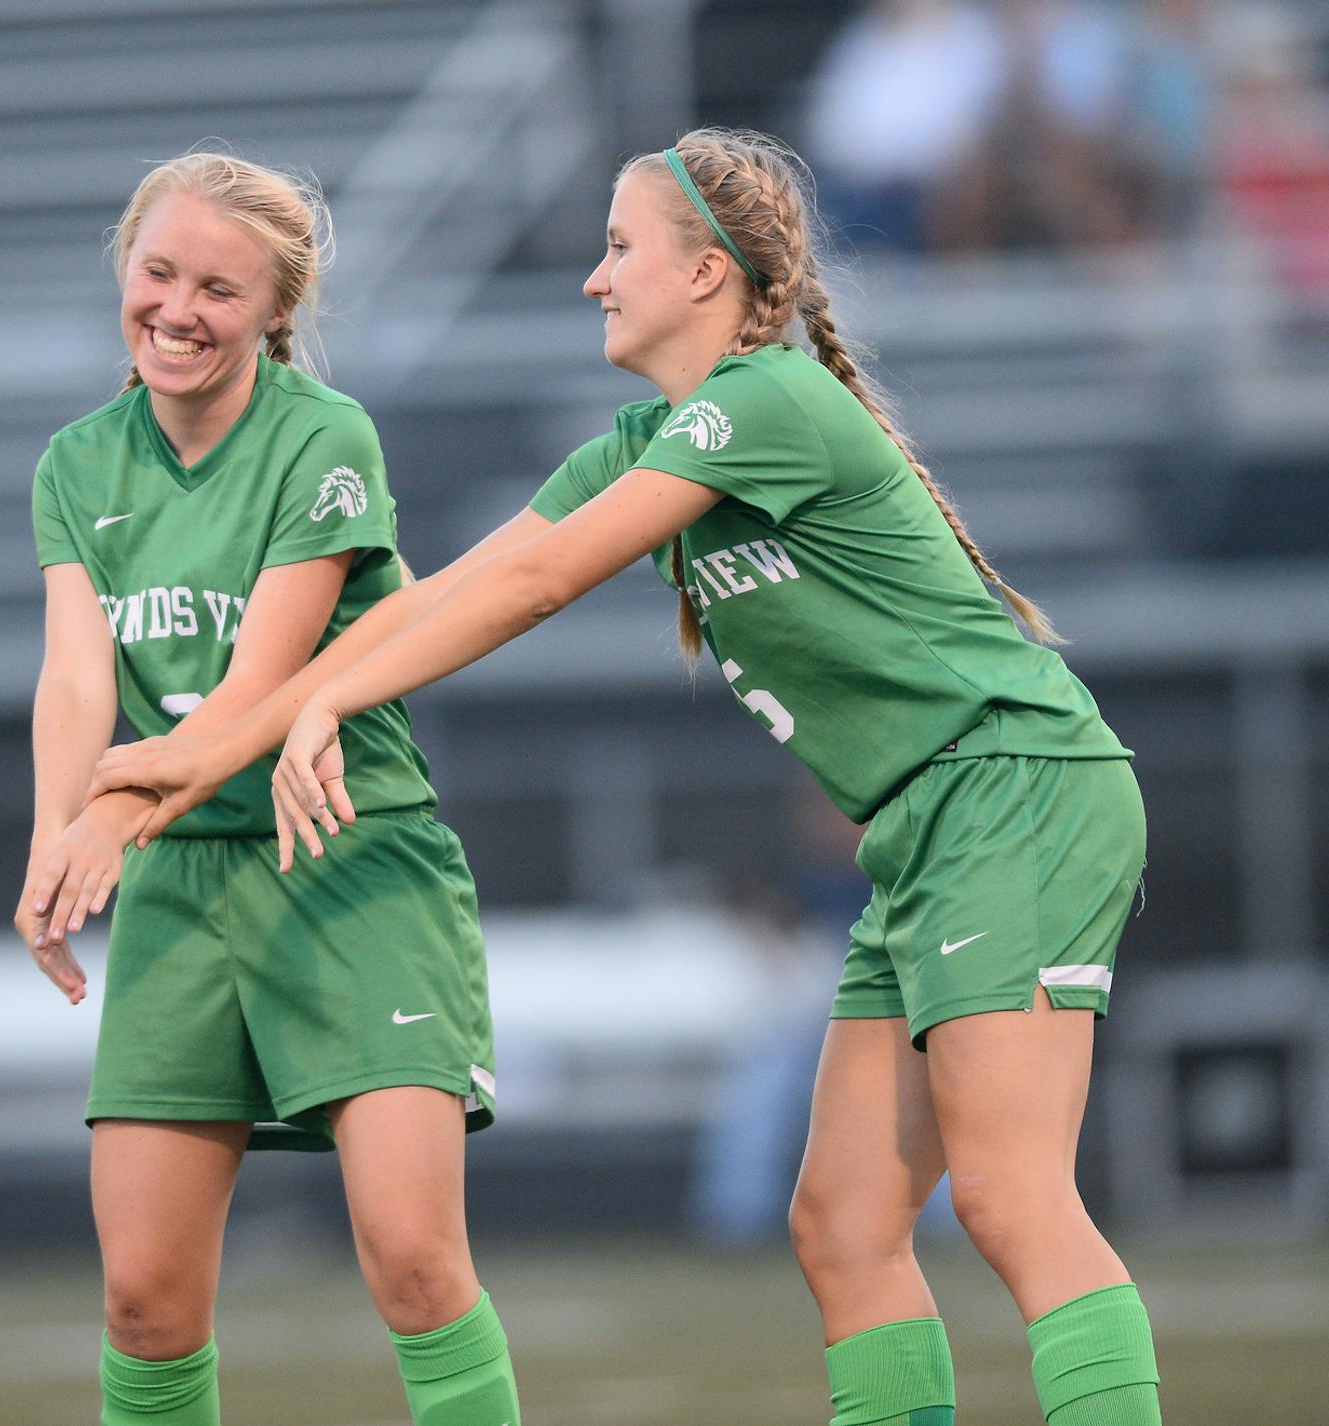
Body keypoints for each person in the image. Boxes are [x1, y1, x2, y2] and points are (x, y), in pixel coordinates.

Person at [92, 128, 1162, 1426]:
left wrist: (279, 716)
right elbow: (456, 594)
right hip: (926, 829)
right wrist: (239, 735)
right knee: (840, 1224)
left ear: (706, 272)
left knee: (1007, 1194)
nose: (596, 279)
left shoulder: (763, 400)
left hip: (1017, 788)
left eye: (618, 248)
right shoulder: (652, 440)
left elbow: (537, 587)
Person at [22, 150, 521, 1426]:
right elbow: (79, 678)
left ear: (277, 313)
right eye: (158, 273)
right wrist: (53, 834)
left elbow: (257, 690)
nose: (178, 311)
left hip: (350, 865)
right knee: (142, 1298)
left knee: (413, 1259)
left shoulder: (325, 437)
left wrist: (115, 812)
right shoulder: (78, 464)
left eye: (220, 291)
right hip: (184, 884)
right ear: (124, 267)